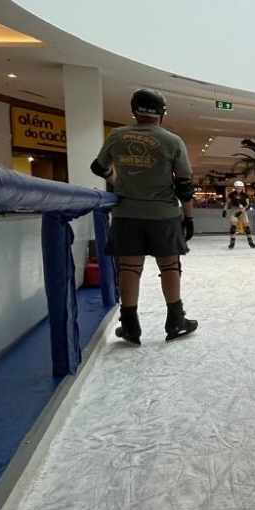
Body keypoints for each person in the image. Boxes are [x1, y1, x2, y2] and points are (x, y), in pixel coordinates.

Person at [91, 88, 198, 343]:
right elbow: (184, 185)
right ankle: (176, 321)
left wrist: (116, 181)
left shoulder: (117, 135)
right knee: (170, 266)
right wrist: (189, 217)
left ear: (134, 110)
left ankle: (129, 325)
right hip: (164, 214)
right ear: (162, 112)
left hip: (127, 213)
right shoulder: (172, 140)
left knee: (129, 267)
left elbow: (98, 167)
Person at [223, 180, 255, 249]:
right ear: (235, 187)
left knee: (246, 225)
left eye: (240, 187)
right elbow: (227, 202)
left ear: (242, 188)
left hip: (243, 210)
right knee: (233, 225)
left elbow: (247, 205)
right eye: (237, 187)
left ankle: (250, 241)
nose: (239, 189)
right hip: (234, 210)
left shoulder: (245, 195)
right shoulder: (231, 194)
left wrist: (241, 211)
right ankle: (232, 242)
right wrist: (224, 210)